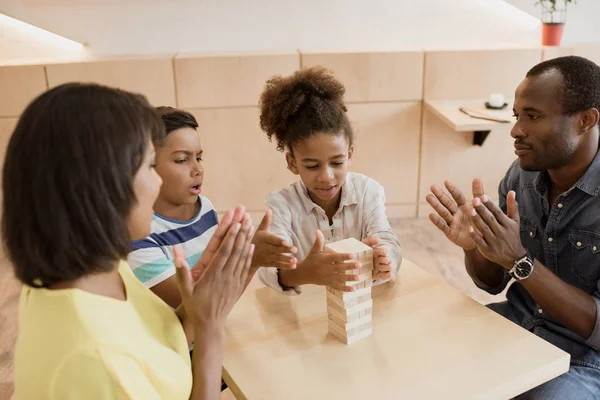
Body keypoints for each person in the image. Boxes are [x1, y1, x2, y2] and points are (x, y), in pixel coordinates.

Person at [4, 82, 255, 399]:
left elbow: (158, 340)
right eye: (151, 165)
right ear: (101, 185)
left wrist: (198, 308)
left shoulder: (100, 269)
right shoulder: (94, 360)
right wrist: (212, 331)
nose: (157, 182)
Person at [427, 55, 600, 399]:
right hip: (515, 323)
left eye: (532, 116)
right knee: (424, 360)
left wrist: (521, 262)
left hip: (584, 358)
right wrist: (474, 246)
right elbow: (492, 283)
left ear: (585, 120)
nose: (516, 130)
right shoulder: (522, 175)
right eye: (517, 115)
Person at [127, 106, 297, 308]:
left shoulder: (204, 207)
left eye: (198, 157)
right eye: (182, 160)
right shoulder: (140, 236)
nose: (198, 169)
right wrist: (250, 261)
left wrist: (244, 253)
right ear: (145, 166)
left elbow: (218, 287)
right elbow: (196, 308)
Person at [256, 66, 402, 295]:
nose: (326, 176)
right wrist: (306, 272)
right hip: (305, 313)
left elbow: (387, 240)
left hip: (360, 306)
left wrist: (384, 258)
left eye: (337, 162)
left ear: (350, 155)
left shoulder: (368, 192)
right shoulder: (281, 205)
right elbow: (267, 269)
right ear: (293, 163)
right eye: (312, 165)